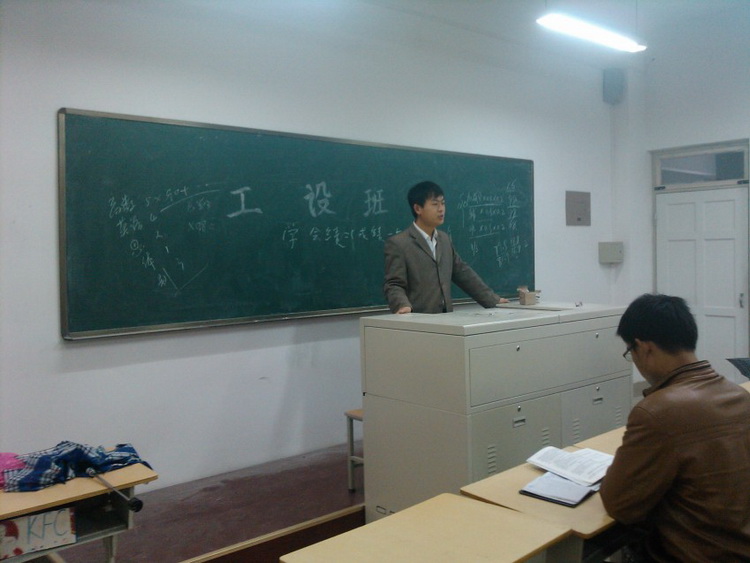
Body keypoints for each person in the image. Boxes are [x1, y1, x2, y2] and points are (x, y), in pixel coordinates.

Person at [599, 293, 750, 562]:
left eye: (630, 352)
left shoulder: (656, 412)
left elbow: (620, 505)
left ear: (643, 348)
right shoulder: (739, 396)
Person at [383, 180, 507, 314]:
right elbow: (394, 284)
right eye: (435, 204)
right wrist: (402, 305)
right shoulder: (399, 244)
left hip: (446, 320)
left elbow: (463, 273)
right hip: (418, 320)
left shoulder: (444, 239)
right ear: (418, 209)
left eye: (443, 203)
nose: (441, 209)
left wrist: (493, 300)